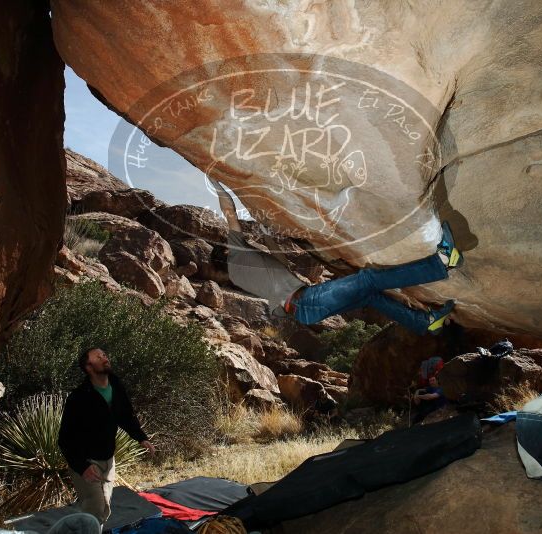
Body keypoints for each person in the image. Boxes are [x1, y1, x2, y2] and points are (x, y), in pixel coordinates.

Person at [209, 178, 462, 336]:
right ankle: (440, 262)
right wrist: (215, 179)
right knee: (368, 279)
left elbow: (281, 267)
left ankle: (424, 323)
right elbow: (230, 212)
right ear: (227, 252)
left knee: (370, 296)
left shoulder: (243, 275)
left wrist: (266, 236)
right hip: (306, 302)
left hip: (304, 307)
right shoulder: (236, 257)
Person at [58, 347, 155, 524]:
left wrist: (141, 437)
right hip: (87, 462)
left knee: (105, 509)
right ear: (88, 367)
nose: (104, 358)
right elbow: (64, 438)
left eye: (104, 354)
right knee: (93, 510)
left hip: (108, 460)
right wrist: (82, 466)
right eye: (98, 356)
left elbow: (125, 416)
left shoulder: (116, 385)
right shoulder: (79, 397)